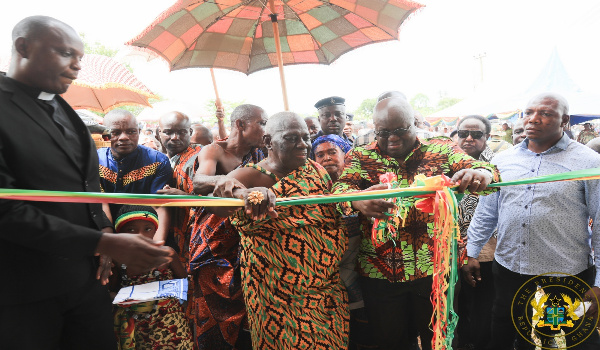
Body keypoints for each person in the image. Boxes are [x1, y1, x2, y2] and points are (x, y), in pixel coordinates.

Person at [0, 16, 172, 349]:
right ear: (23, 47)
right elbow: (6, 210)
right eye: (66, 53)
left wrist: (104, 236)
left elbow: (87, 187)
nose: (78, 66)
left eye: (79, 56)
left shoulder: (60, 106)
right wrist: (102, 243)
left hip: (85, 281)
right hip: (22, 290)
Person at [332, 97, 499, 350]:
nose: (392, 139)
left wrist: (480, 174)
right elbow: (339, 190)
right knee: (391, 342)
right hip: (379, 271)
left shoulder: (441, 147)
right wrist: (358, 203)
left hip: (434, 269)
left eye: (400, 131)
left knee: (440, 341)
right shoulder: (361, 156)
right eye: (383, 133)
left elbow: (486, 170)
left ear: (414, 123)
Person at [463, 92, 600, 349]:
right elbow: (487, 212)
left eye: (545, 114)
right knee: (504, 328)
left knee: (556, 338)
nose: (533, 120)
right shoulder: (503, 161)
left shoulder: (589, 162)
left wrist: (599, 282)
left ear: (565, 120)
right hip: (509, 270)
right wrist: (471, 253)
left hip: (561, 275)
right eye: (528, 113)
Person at [214, 111, 350, 349]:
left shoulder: (314, 169)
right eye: (291, 138)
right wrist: (247, 194)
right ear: (268, 142)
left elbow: (330, 211)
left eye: (306, 137)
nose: (303, 144)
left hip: (326, 292)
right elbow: (221, 206)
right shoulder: (248, 175)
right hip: (277, 297)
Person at [188, 104, 268, 349]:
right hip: (214, 244)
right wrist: (225, 179)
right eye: (262, 123)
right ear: (241, 125)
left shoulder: (263, 155)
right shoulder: (214, 150)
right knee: (213, 311)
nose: (266, 130)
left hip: (247, 240)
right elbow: (199, 181)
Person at [313, 134, 378, 349]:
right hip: (328, 272)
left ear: (345, 155)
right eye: (319, 155)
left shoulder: (361, 183)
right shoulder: (312, 189)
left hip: (364, 266)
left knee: (366, 326)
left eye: (332, 152)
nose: (326, 158)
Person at [112, 205, 194, 350]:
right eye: (131, 230)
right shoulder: (118, 261)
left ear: (155, 230)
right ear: (120, 233)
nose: (140, 235)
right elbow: (112, 291)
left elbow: (185, 283)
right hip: (138, 327)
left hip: (172, 325)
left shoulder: (167, 254)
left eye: (147, 229)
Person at [454, 115, 497, 349]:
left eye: (477, 134)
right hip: (450, 249)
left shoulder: (494, 166)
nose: (469, 138)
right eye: (463, 134)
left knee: (482, 307)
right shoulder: (448, 163)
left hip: (485, 251)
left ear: (487, 137)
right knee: (458, 306)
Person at [98, 109, 172, 241]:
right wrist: (108, 245)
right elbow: (100, 203)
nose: (124, 137)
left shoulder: (158, 160)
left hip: (147, 230)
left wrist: (155, 246)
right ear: (105, 135)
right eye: (115, 132)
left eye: (131, 132)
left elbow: (159, 205)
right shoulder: (95, 160)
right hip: (105, 229)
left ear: (139, 132)